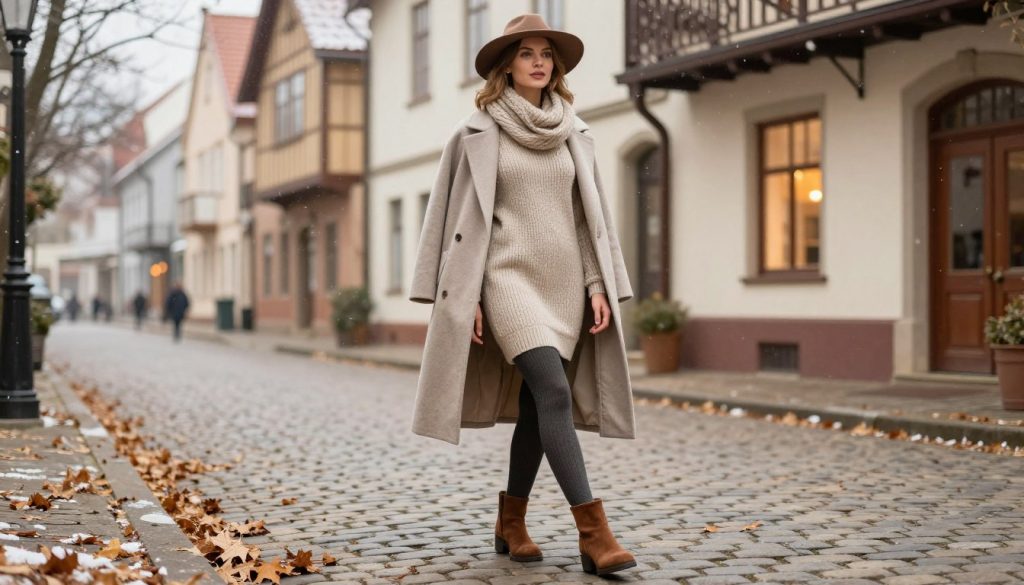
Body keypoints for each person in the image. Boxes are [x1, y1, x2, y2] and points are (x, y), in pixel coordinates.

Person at [413, 14, 636, 577]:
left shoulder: (574, 133)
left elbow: (588, 222)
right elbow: (450, 220)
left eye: (546, 53)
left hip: (564, 285)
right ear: (506, 65)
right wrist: (468, 298)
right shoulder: (476, 133)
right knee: (554, 391)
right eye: (526, 53)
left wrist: (595, 285)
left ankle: (510, 521)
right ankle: (594, 532)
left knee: (541, 406)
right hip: (506, 280)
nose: (539, 61)